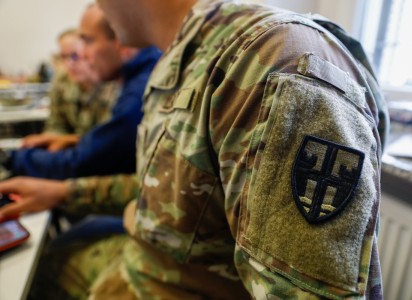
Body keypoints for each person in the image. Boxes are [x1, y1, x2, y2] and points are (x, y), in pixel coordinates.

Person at [0, 0, 388, 299]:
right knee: (51, 258)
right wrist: (66, 193)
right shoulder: (185, 55)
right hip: (146, 268)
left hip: (161, 284)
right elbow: (171, 190)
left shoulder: (269, 60)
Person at [0, 6, 161, 180]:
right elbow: (106, 144)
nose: (82, 54)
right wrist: (73, 141)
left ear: (120, 41)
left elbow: (93, 157)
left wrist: (13, 159)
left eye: (88, 41)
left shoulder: (139, 87)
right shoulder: (137, 76)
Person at [22, 28, 119, 152]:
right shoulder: (62, 81)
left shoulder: (111, 82)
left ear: (88, 53)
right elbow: (56, 125)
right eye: (63, 57)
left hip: (101, 153)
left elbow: (109, 136)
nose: (69, 64)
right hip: (71, 152)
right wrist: (48, 141)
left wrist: (67, 140)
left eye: (74, 56)